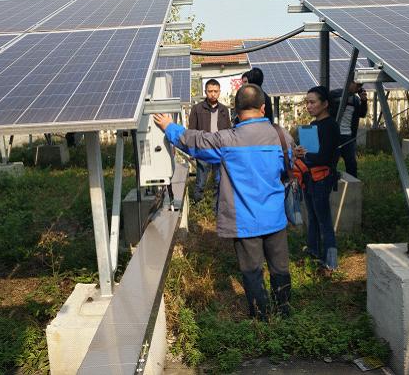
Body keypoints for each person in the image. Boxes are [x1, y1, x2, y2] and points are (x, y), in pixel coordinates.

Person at [154, 84, 293, 319]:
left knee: (252, 271)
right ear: (262, 108)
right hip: (275, 217)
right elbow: (286, 168)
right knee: (280, 268)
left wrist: (169, 127)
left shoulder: (227, 139)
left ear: (236, 111)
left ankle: (261, 317)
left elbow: (196, 142)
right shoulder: (282, 137)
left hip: (245, 220)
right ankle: (284, 312)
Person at [294, 86, 340, 273]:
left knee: (324, 221)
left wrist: (305, 155)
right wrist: (301, 153)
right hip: (308, 177)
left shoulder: (330, 126)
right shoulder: (312, 126)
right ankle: (313, 252)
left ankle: (330, 262)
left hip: (321, 178)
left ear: (325, 104)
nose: (308, 106)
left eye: (312, 102)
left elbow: (325, 157)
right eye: (307, 102)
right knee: (312, 217)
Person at [188, 79, 231, 202]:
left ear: (219, 92)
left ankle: (216, 205)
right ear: (205, 92)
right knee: (201, 180)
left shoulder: (224, 109)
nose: (213, 94)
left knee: (219, 180)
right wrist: (192, 150)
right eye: (210, 91)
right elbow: (192, 130)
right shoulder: (197, 109)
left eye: (215, 91)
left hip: (219, 148)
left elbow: (228, 130)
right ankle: (198, 204)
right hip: (203, 148)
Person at [330, 82, 367, 178]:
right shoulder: (335, 94)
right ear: (350, 82)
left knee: (351, 163)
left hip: (348, 136)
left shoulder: (356, 100)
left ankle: (353, 184)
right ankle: (330, 182)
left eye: (360, 86)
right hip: (334, 135)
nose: (358, 88)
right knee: (331, 161)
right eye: (357, 85)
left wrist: (364, 101)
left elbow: (362, 114)